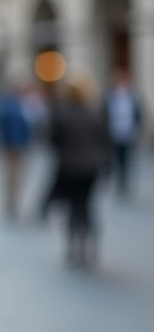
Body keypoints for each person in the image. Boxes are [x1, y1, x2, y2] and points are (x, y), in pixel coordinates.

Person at [49, 77, 111, 267]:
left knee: (73, 206)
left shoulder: (62, 115)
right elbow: (105, 141)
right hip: (91, 168)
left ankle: (73, 243)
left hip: (69, 166)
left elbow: (53, 140)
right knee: (87, 205)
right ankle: (88, 241)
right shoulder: (95, 114)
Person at [0, 82, 33, 220]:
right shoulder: (10, 106)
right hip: (12, 146)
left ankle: (13, 204)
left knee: (15, 177)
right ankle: (11, 204)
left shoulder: (21, 105)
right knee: (12, 177)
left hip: (17, 146)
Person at [105, 68, 143, 198]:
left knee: (127, 160)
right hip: (114, 133)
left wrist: (138, 129)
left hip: (128, 133)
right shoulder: (110, 97)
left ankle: (124, 183)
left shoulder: (133, 97)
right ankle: (118, 182)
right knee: (116, 159)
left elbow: (139, 114)